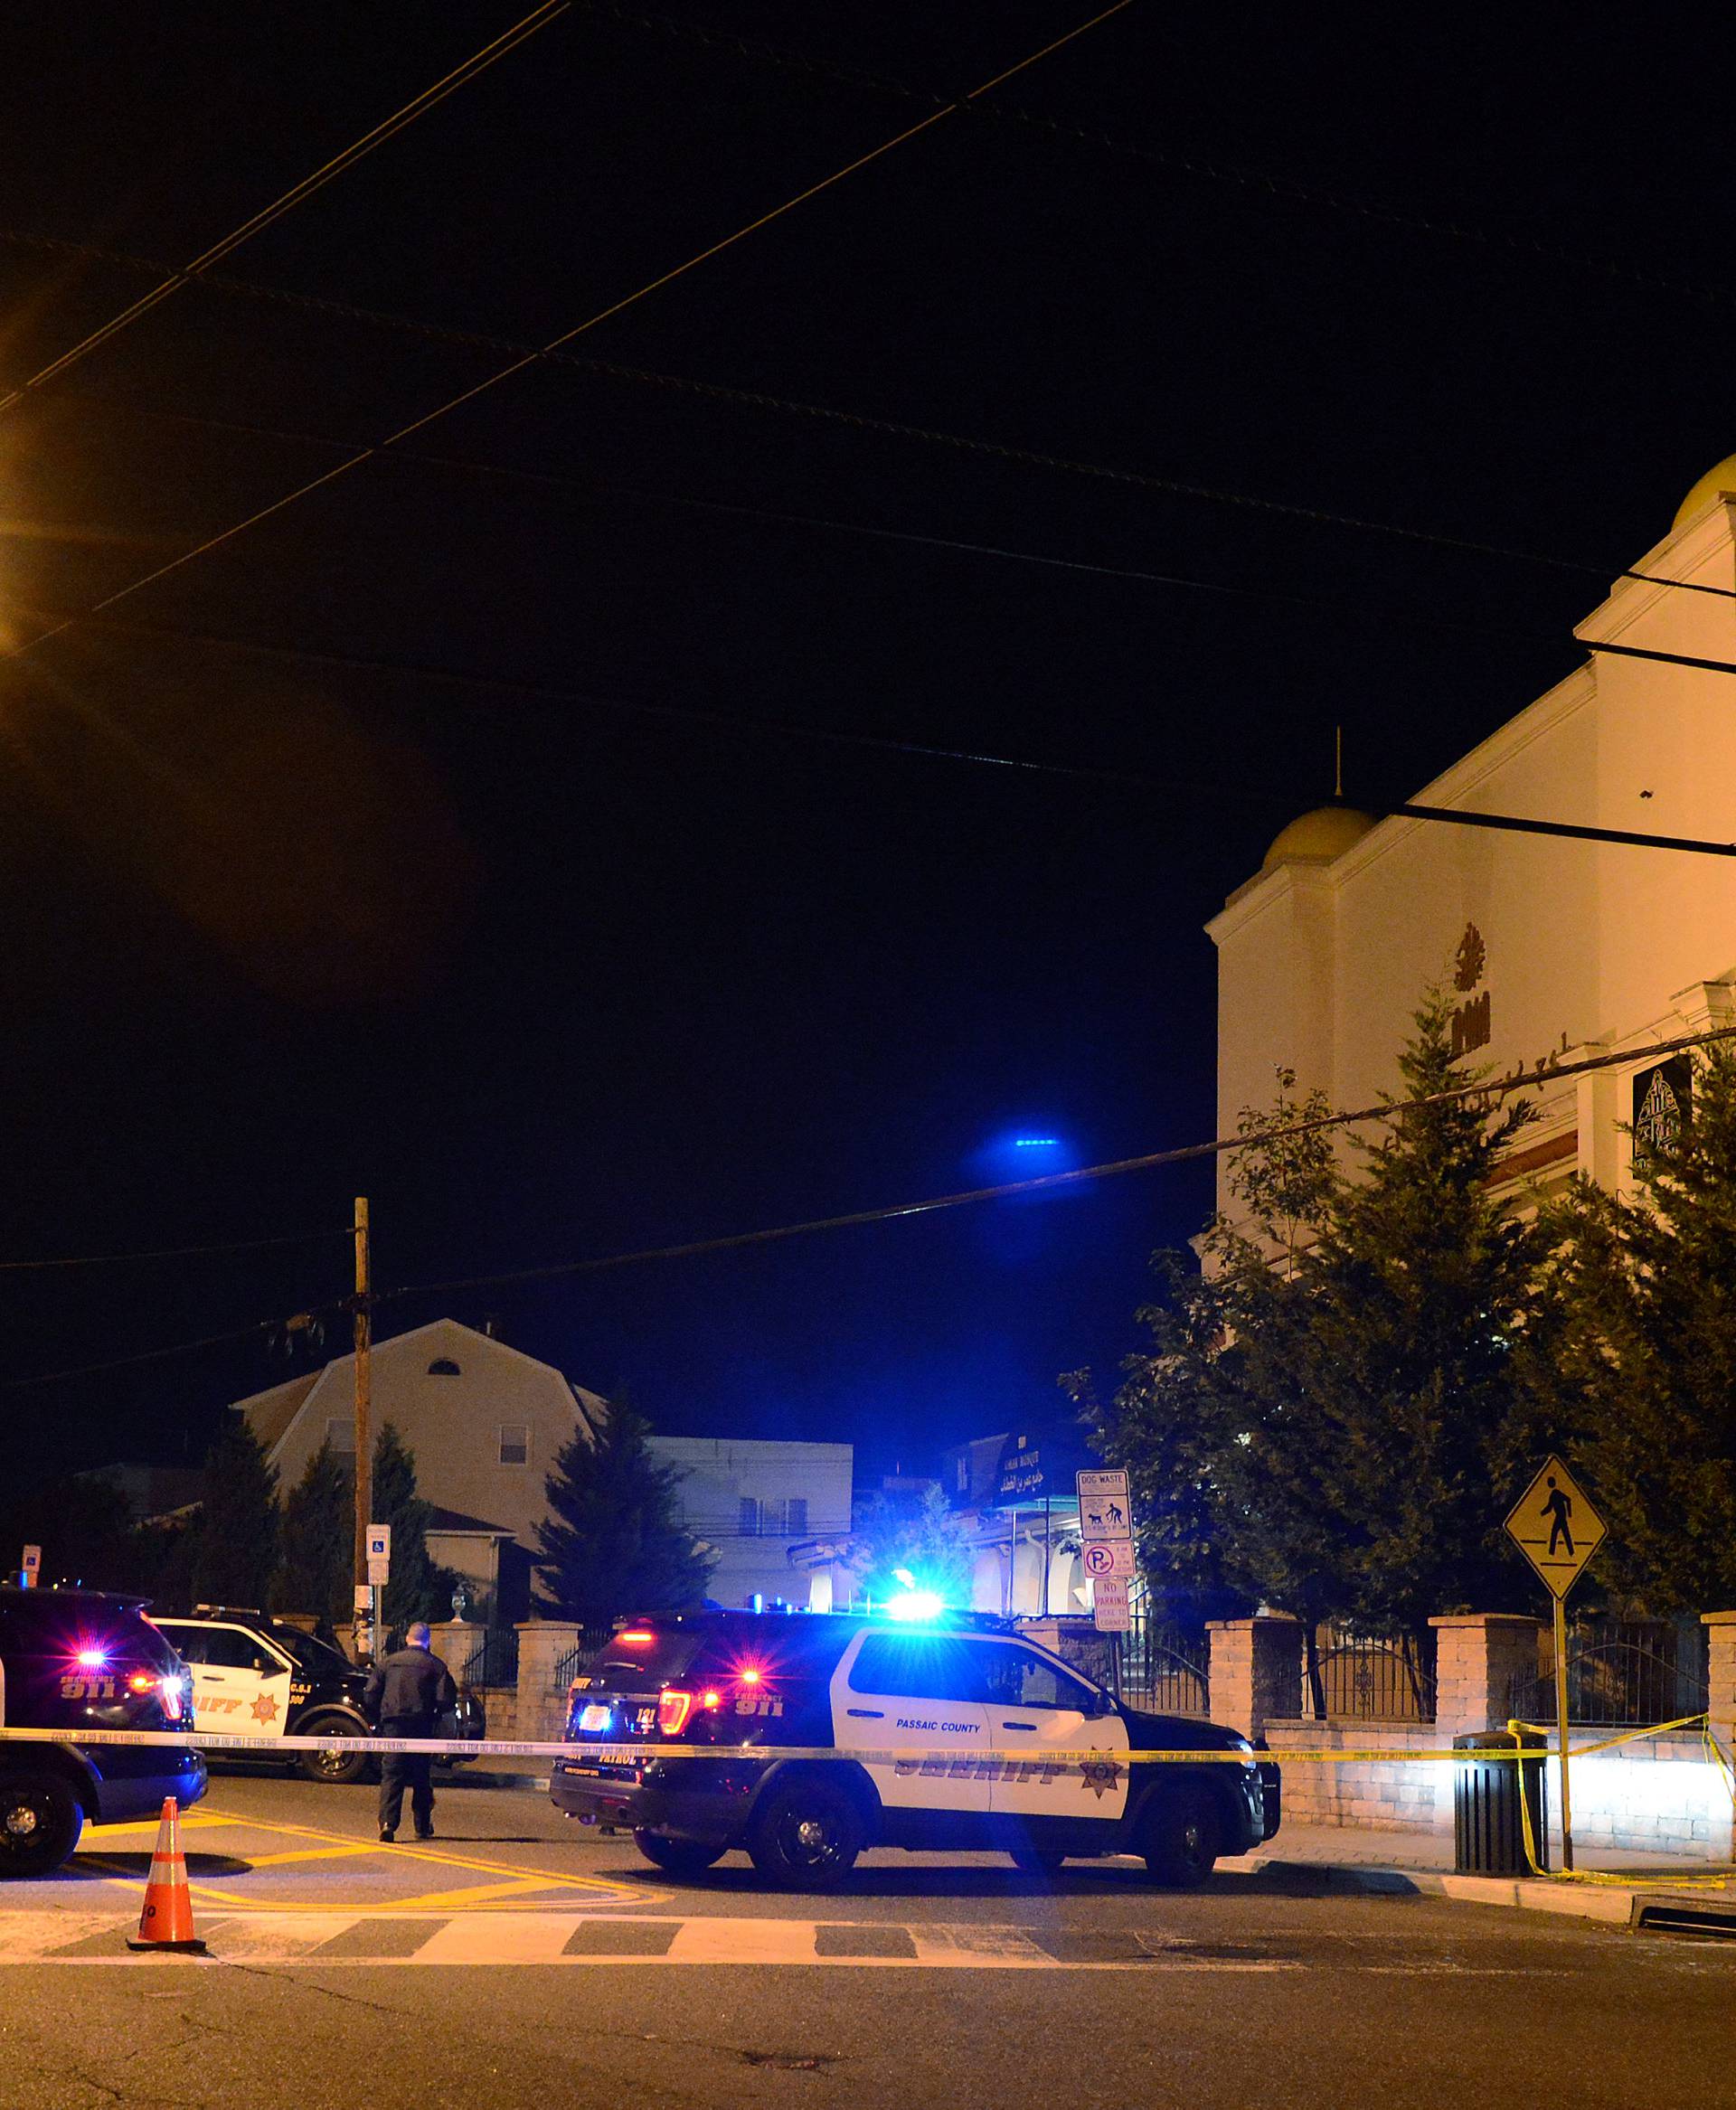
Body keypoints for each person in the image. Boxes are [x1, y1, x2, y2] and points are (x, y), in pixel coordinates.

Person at [363, 1621, 458, 1842]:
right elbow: (446, 1700)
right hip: (421, 1725)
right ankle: (422, 1826)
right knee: (421, 1776)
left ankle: (387, 1824)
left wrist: (380, 1716)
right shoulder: (436, 1666)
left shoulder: (388, 1663)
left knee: (392, 1775)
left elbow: (370, 1694)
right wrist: (434, 1714)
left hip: (393, 1725)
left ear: (407, 1638)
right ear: (428, 1641)